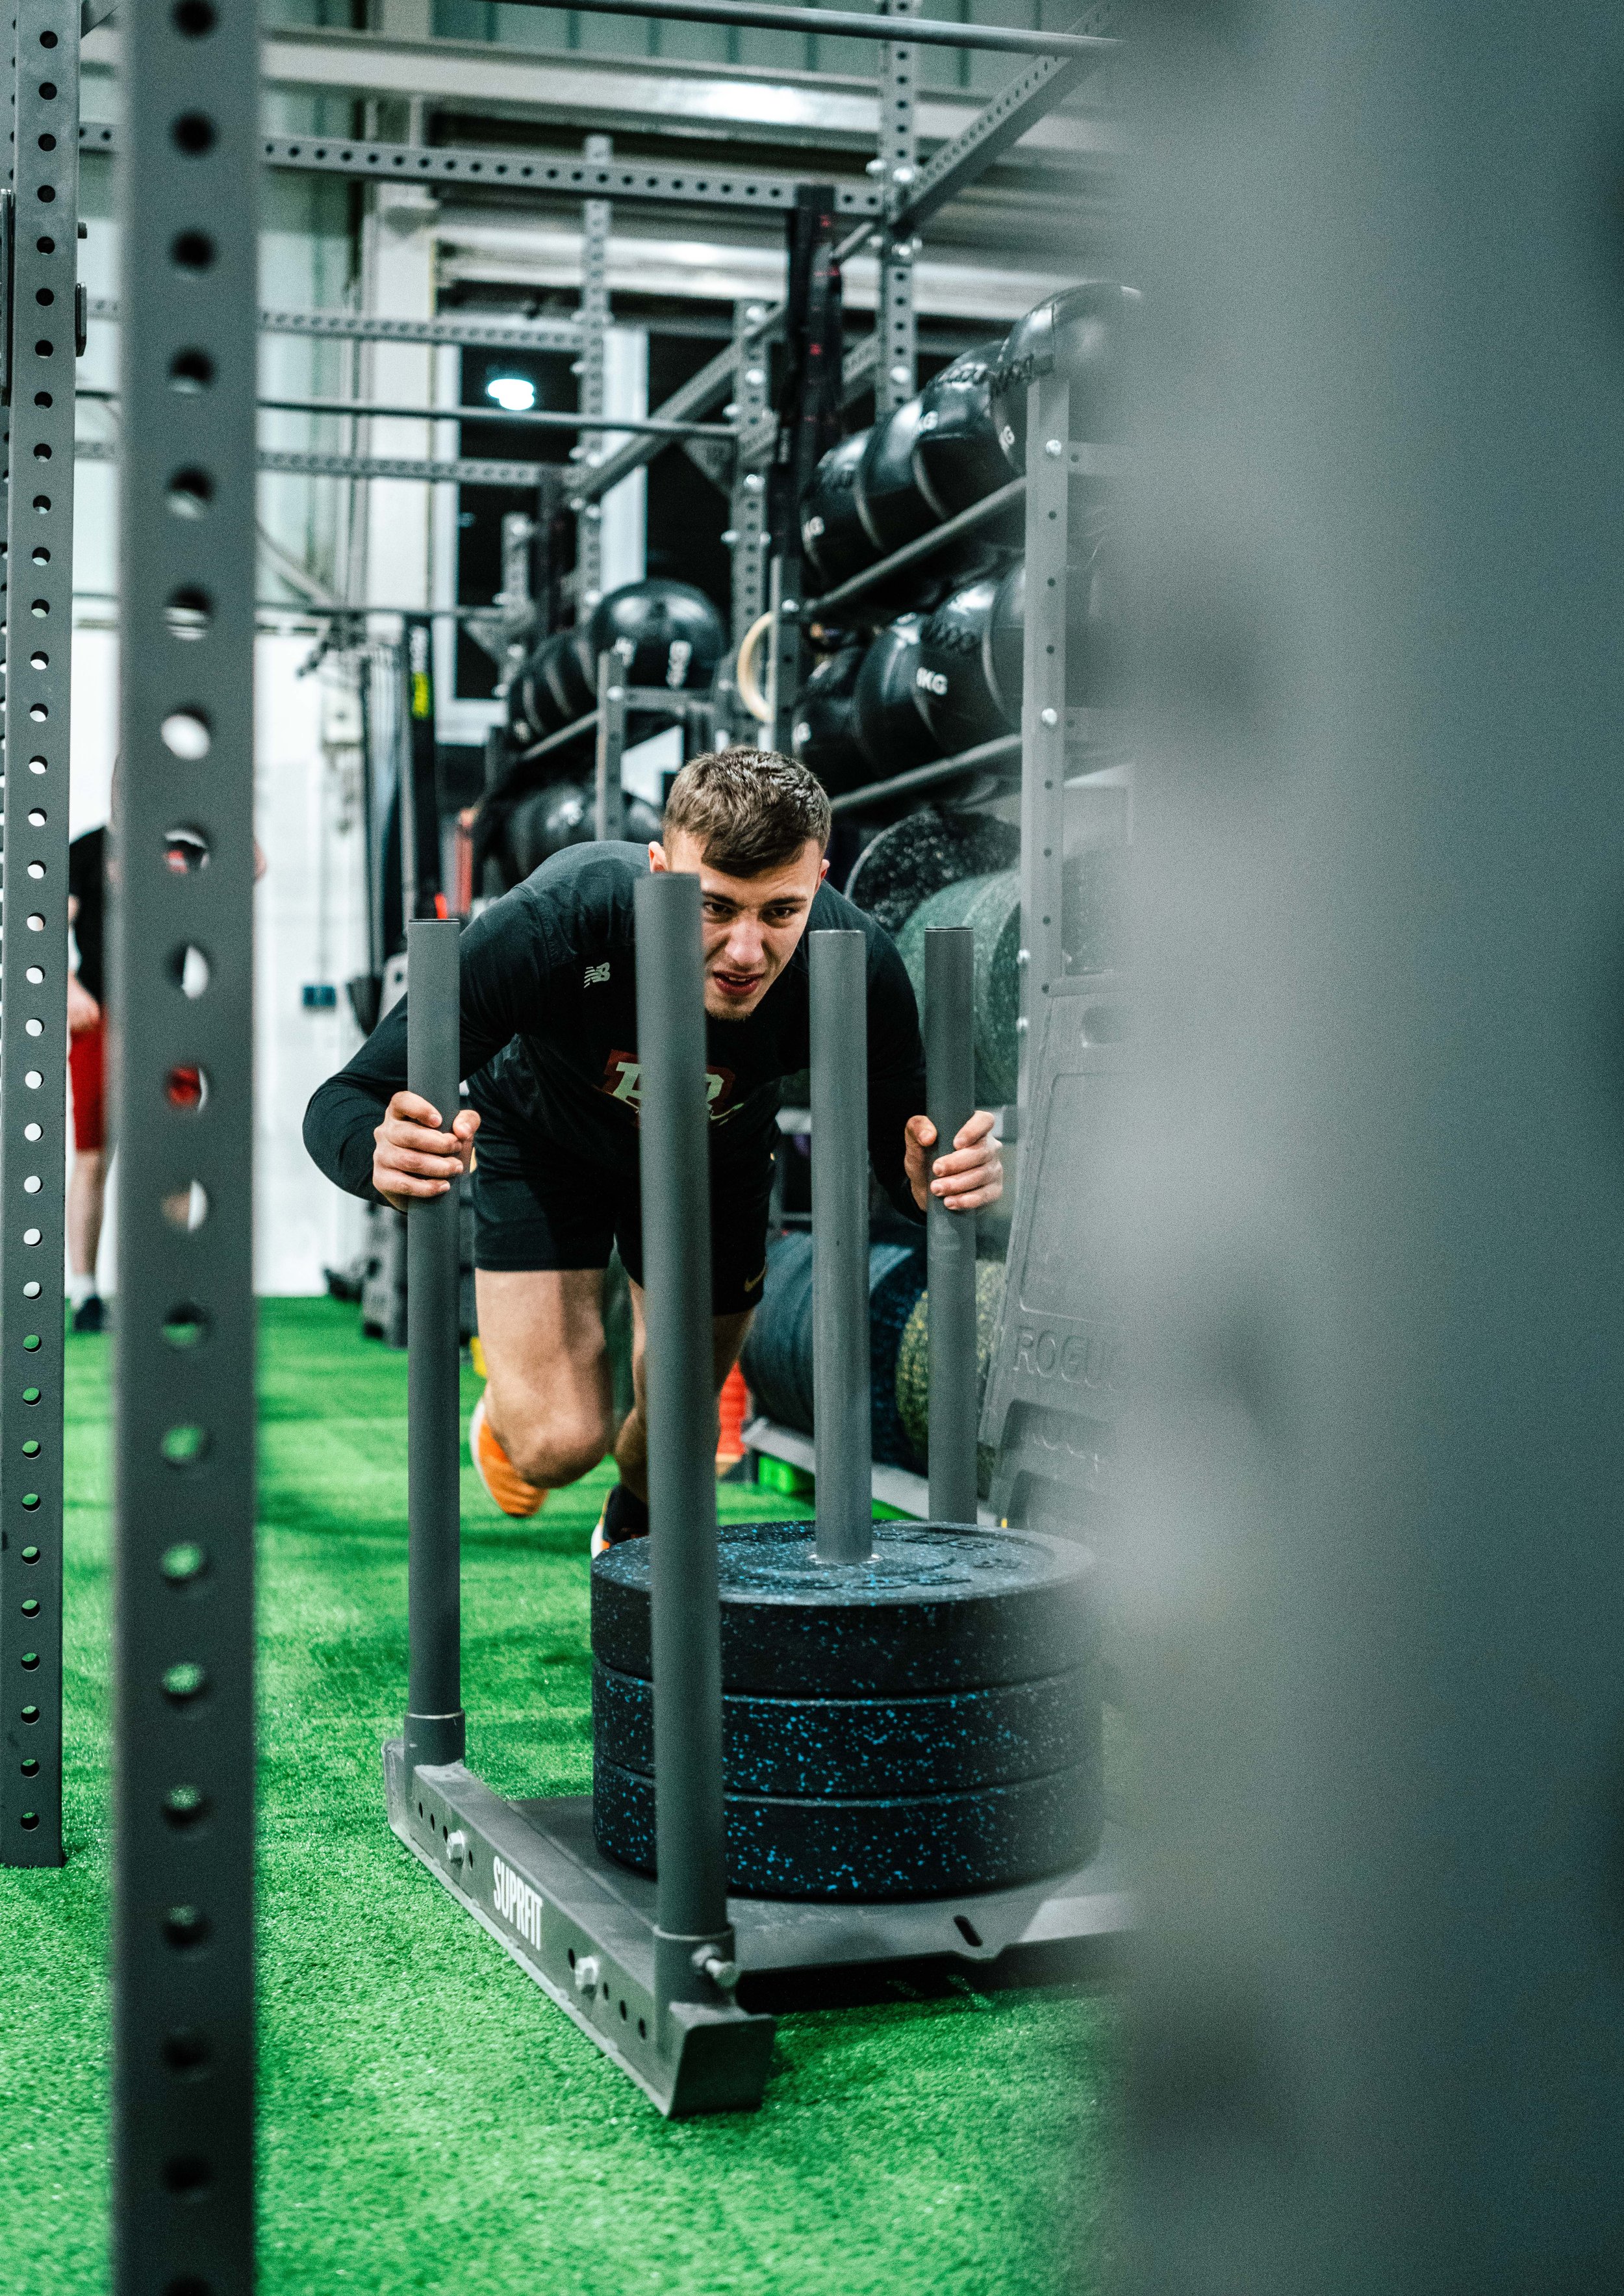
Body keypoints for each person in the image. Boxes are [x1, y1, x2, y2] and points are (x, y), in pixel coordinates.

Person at [303, 748, 1003, 1554]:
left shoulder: (854, 957)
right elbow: (343, 1099)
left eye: (779, 911)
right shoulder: (562, 919)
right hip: (546, 1141)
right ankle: (509, 1419)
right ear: (658, 868)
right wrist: (376, 1152)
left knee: (675, 1440)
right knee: (557, 1445)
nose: (745, 951)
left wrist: (934, 1172)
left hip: (713, 1160)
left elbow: (903, 1146)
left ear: (819, 878)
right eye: (712, 906)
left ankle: (633, 1514)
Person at [67, 825, 110, 1334]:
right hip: (100, 1015)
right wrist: (70, 984)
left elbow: (251, 866)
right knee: (92, 1154)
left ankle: (175, 1287)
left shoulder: (181, 843)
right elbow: (47, 924)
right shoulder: (88, 850)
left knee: (176, 1152)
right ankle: (85, 1292)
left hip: (169, 1019)